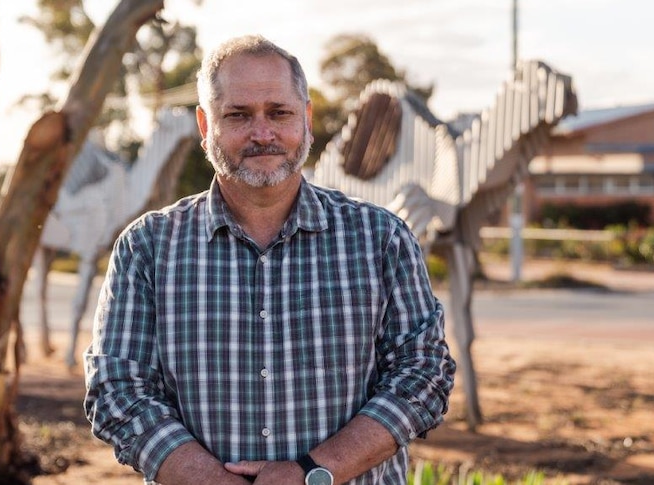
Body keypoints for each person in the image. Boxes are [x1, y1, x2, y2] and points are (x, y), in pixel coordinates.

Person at [83, 34, 456, 485]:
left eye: (279, 113)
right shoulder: (147, 247)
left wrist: (312, 473)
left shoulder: (382, 239)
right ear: (206, 127)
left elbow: (424, 374)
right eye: (238, 115)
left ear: (307, 119)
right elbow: (118, 391)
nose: (263, 133)